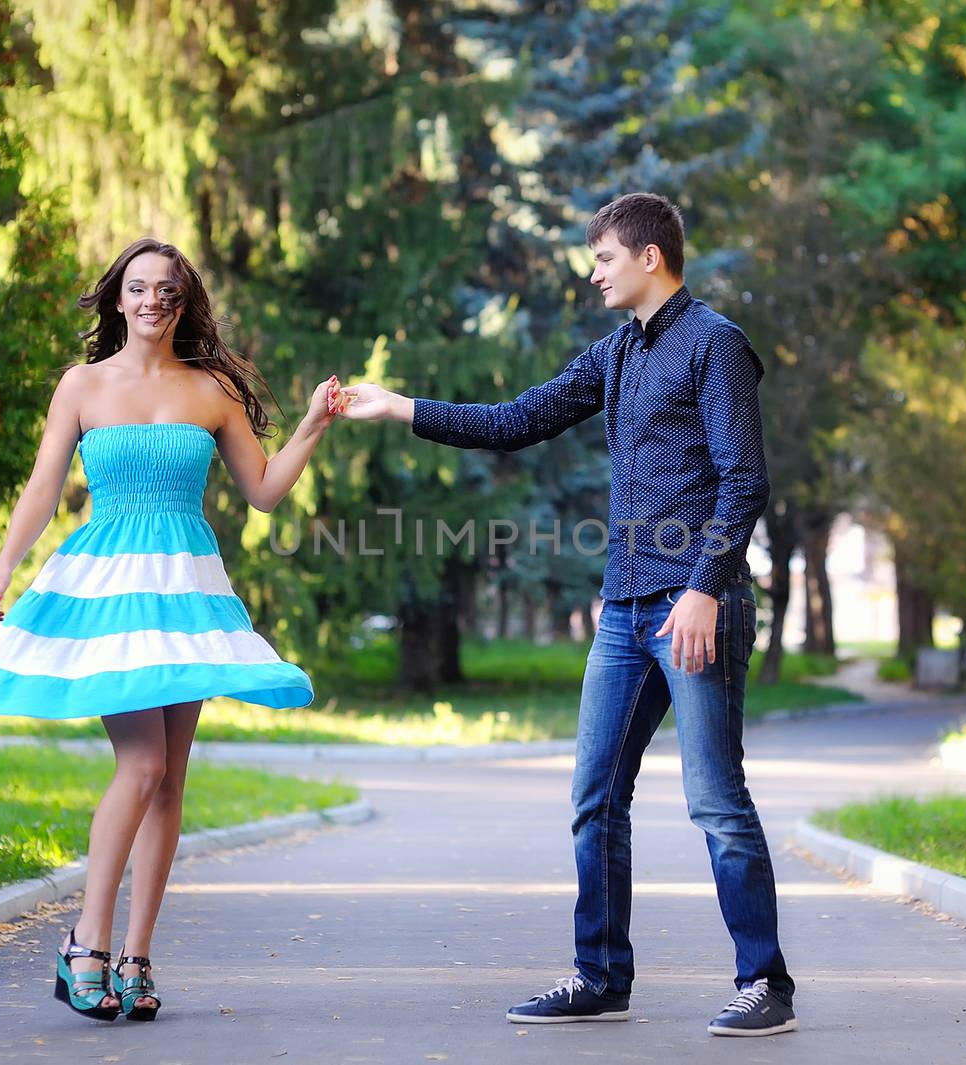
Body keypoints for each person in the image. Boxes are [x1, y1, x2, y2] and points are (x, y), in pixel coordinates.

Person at [341, 193, 796, 1037]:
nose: (593, 273)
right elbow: (517, 420)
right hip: (626, 610)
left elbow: (745, 481)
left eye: (603, 258)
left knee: (716, 799)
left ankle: (765, 983)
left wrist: (703, 586)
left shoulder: (716, 345)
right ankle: (600, 975)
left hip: (699, 605)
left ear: (649, 258)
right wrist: (399, 406)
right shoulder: (617, 353)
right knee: (594, 797)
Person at [0, 237, 339, 1023]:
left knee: (170, 782)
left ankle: (136, 955)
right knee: (144, 763)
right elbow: (44, 484)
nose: (153, 298)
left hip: (187, 588)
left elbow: (261, 492)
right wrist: (5, 564)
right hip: (110, 587)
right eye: (139, 287)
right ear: (117, 299)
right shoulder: (82, 385)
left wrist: (312, 425)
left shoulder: (212, 390)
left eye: (168, 288)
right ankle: (84, 943)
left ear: (185, 301)